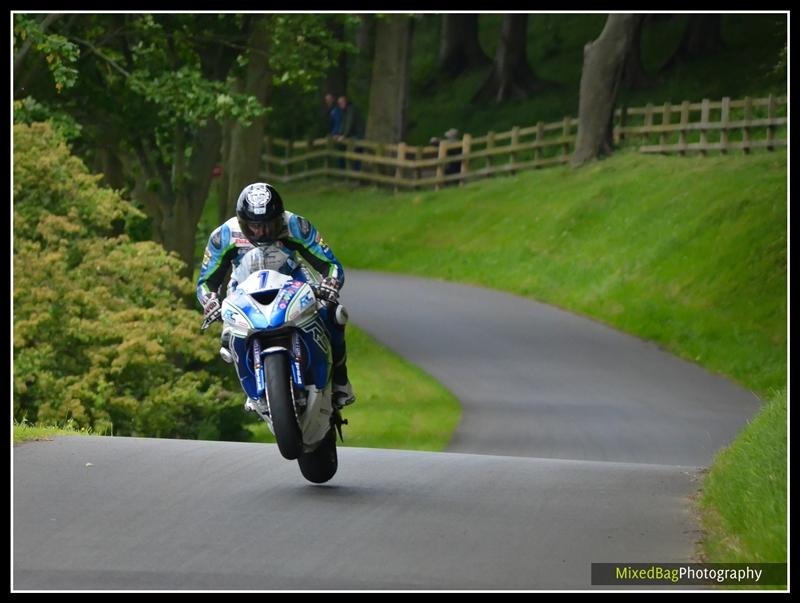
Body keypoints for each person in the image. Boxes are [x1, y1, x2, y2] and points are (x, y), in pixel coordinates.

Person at [197, 182, 356, 409]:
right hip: (243, 289)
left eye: (269, 224)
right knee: (228, 335)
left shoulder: (296, 226)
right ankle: (252, 388)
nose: (261, 232)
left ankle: (341, 381)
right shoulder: (224, 236)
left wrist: (330, 282)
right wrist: (210, 300)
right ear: (242, 222)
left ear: (279, 218)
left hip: (293, 280)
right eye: (253, 226)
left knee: (333, 314)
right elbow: (205, 282)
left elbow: (330, 264)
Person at [335, 95, 365, 171]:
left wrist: (344, 136)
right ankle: (344, 171)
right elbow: (343, 124)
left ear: (346, 101)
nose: (341, 104)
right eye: (339, 103)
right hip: (353, 135)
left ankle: (354, 173)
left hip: (358, 135)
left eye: (342, 102)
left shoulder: (351, 109)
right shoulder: (345, 111)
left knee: (357, 153)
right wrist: (339, 134)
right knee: (341, 147)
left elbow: (349, 123)